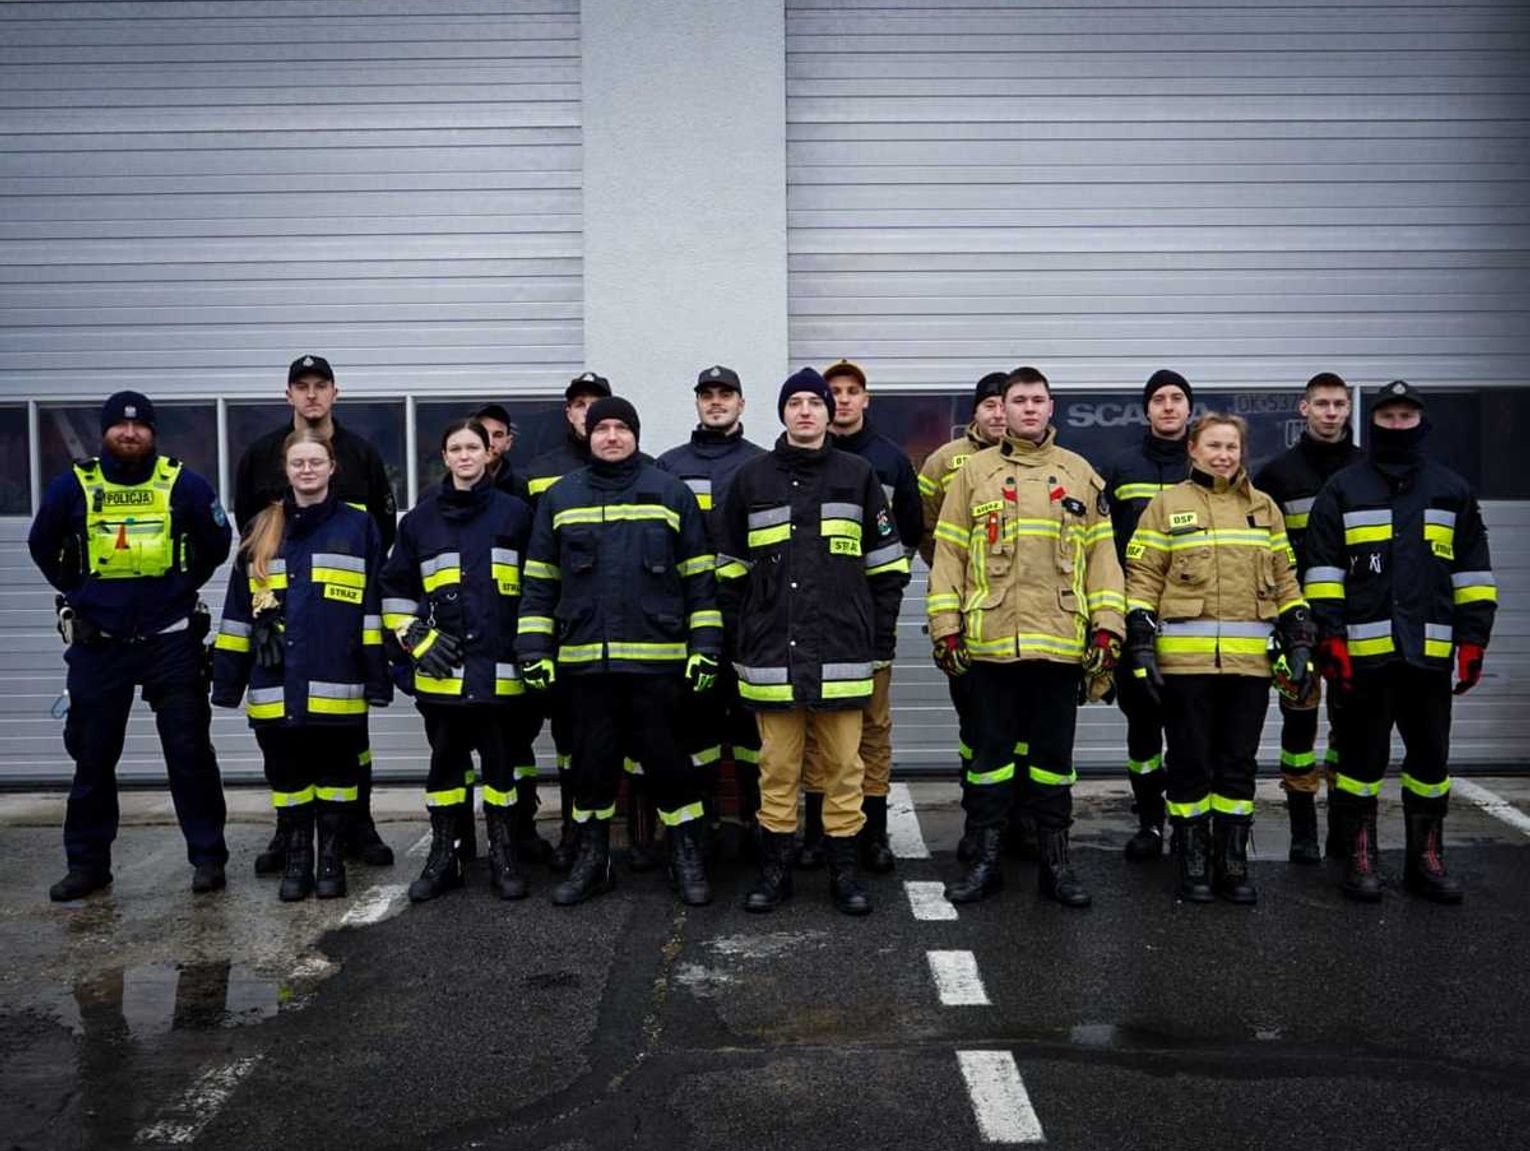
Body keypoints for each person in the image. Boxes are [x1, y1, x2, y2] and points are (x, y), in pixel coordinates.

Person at [927, 366, 1124, 908]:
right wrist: (946, 628)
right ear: (1002, 409)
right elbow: (948, 558)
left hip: (1059, 643)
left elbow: (1103, 562)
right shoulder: (973, 474)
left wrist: (1108, 627)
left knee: (1053, 762)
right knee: (989, 757)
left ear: (1051, 407)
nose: (1029, 409)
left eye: (1038, 400)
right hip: (990, 643)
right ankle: (987, 861)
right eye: (1019, 400)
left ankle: (1055, 865)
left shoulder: (1080, 473)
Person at [515, 396, 722, 907]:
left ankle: (684, 855)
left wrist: (706, 646)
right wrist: (533, 649)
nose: (611, 436)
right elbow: (539, 582)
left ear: (635, 434)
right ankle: (593, 860)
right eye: (601, 427)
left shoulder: (669, 493)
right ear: (587, 435)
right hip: (585, 665)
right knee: (591, 766)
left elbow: (700, 581)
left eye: (621, 428)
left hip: (658, 664)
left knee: (669, 766)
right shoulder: (561, 498)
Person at [717, 368, 909, 916]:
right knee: (777, 769)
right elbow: (728, 571)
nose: (805, 411)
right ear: (781, 413)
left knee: (844, 768)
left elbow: (887, 566)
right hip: (772, 655)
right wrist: (740, 637)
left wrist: (879, 636)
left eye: (815, 403)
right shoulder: (750, 480)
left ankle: (842, 871)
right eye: (795, 402)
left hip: (844, 653)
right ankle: (775, 872)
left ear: (831, 413)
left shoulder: (859, 475)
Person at [30, 391, 233, 901]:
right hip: (101, 644)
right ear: (104, 432)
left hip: (171, 640)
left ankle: (208, 859)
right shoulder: (73, 485)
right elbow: (41, 544)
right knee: (93, 758)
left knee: (189, 755)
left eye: (140, 426)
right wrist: (79, 591)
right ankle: (88, 866)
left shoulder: (183, 483)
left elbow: (217, 542)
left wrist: (180, 588)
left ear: (152, 432)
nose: (130, 434)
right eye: (120, 427)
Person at [1303, 380, 1496, 904]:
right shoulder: (1343, 489)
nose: (1397, 424)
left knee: (1430, 764)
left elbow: (1473, 573)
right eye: (1387, 417)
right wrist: (1331, 641)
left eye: (1406, 416)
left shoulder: (1450, 489)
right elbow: (1321, 574)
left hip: (1429, 660)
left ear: (1420, 423)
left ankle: (1426, 859)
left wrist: (1473, 640)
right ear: (1374, 422)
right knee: (1361, 765)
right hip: (1364, 661)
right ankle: (1362, 855)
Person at [1123, 413, 1312, 905]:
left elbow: (1286, 580)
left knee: (1237, 764)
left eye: (1232, 447)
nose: (1224, 455)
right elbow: (1142, 577)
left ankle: (1231, 860)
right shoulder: (1167, 506)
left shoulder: (1264, 508)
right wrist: (1140, 642)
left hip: (1249, 667)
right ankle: (1192, 857)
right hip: (1185, 666)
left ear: (1241, 452)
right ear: (1194, 449)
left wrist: (1298, 636)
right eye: (1214, 446)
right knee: (1189, 763)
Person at [233, 354, 397, 873]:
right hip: (281, 620)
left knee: (350, 740)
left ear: (335, 393)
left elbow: (380, 536)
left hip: (338, 623)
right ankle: (291, 835)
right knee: (283, 739)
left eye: (320, 385)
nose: (311, 395)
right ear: (288, 396)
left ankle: (358, 825)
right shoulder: (261, 454)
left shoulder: (361, 454)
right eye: (300, 386)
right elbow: (252, 536)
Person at [381, 419, 538, 902]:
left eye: (474, 446)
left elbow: (538, 586)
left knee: (502, 770)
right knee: (445, 770)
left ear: (490, 453)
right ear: (445, 457)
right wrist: (415, 639)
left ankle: (505, 856)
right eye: (456, 448)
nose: (466, 455)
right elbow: (393, 591)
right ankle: (444, 857)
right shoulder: (419, 522)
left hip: (499, 675)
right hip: (442, 677)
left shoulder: (516, 514)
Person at [797, 358, 921, 874]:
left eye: (852, 391)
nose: (842, 399)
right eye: (834, 391)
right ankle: (814, 831)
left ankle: (872, 832)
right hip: (807, 625)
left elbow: (908, 537)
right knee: (810, 727)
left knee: (871, 727)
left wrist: (877, 607)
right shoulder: (798, 459)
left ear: (866, 399)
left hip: (866, 623)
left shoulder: (890, 462)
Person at [1252, 372, 1364, 863]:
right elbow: (1261, 552)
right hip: (1296, 622)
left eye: (1339, 403)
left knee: (1352, 727)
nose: (1331, 412)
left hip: (1357, 621)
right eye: (1322, 404)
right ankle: (1302, 834)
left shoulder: (1368, 470)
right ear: (1304, 409)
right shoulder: (1277, 474)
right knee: (1299, 729)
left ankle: (1342, 830)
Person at [656, 365, 767, 856]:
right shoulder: (668, 467)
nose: (716, 402)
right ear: (697, 403)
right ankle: (696, 829)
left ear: (742, 404)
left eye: (726, 395)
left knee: (750, 730)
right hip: (688, 627)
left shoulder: (763, 466)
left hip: (751, 624)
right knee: (694, 730)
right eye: (708, 395)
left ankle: (751, 822)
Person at [917, 371, 1010, 863]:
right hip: (969, 615)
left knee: (1022, 731)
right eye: (989, 405)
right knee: (977, 728)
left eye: (1005, 404)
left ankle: (1024, 824)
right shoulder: (945, 461)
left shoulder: (1049, 464)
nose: (998, 413)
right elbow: (925, 526)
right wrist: (956, 575)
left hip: (1029, 621)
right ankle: (980, 823)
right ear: (975, 412)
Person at [522, 371, 613, 872]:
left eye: (594, 403)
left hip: (615, 630)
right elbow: (531, 559)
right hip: (563, 629)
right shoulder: (540, 473)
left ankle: (604, 833)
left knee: (603, 740)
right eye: (577, 404)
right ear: (568, 413)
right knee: (564, 738)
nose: (585, 412)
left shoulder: (638, 471)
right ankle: (571, 831)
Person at [1099, 368, 1192, 861]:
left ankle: (1187, 820)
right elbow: (1101, 548)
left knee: (1188, 726)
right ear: (1147, 409)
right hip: (1135, 617)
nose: (1169, 406)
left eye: (1177, 398)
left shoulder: (1205, 466)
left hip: (1194, 620)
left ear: (1189, 408)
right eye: (1159, 399)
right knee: (1142, 727)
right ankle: (1150, 822)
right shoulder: (1121, 468)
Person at [472, 402, 531, 502]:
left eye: (497, 435)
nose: (490, 443)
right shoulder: (452, 486)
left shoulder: (522, 490)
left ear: (508, 442)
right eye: (482, 434)